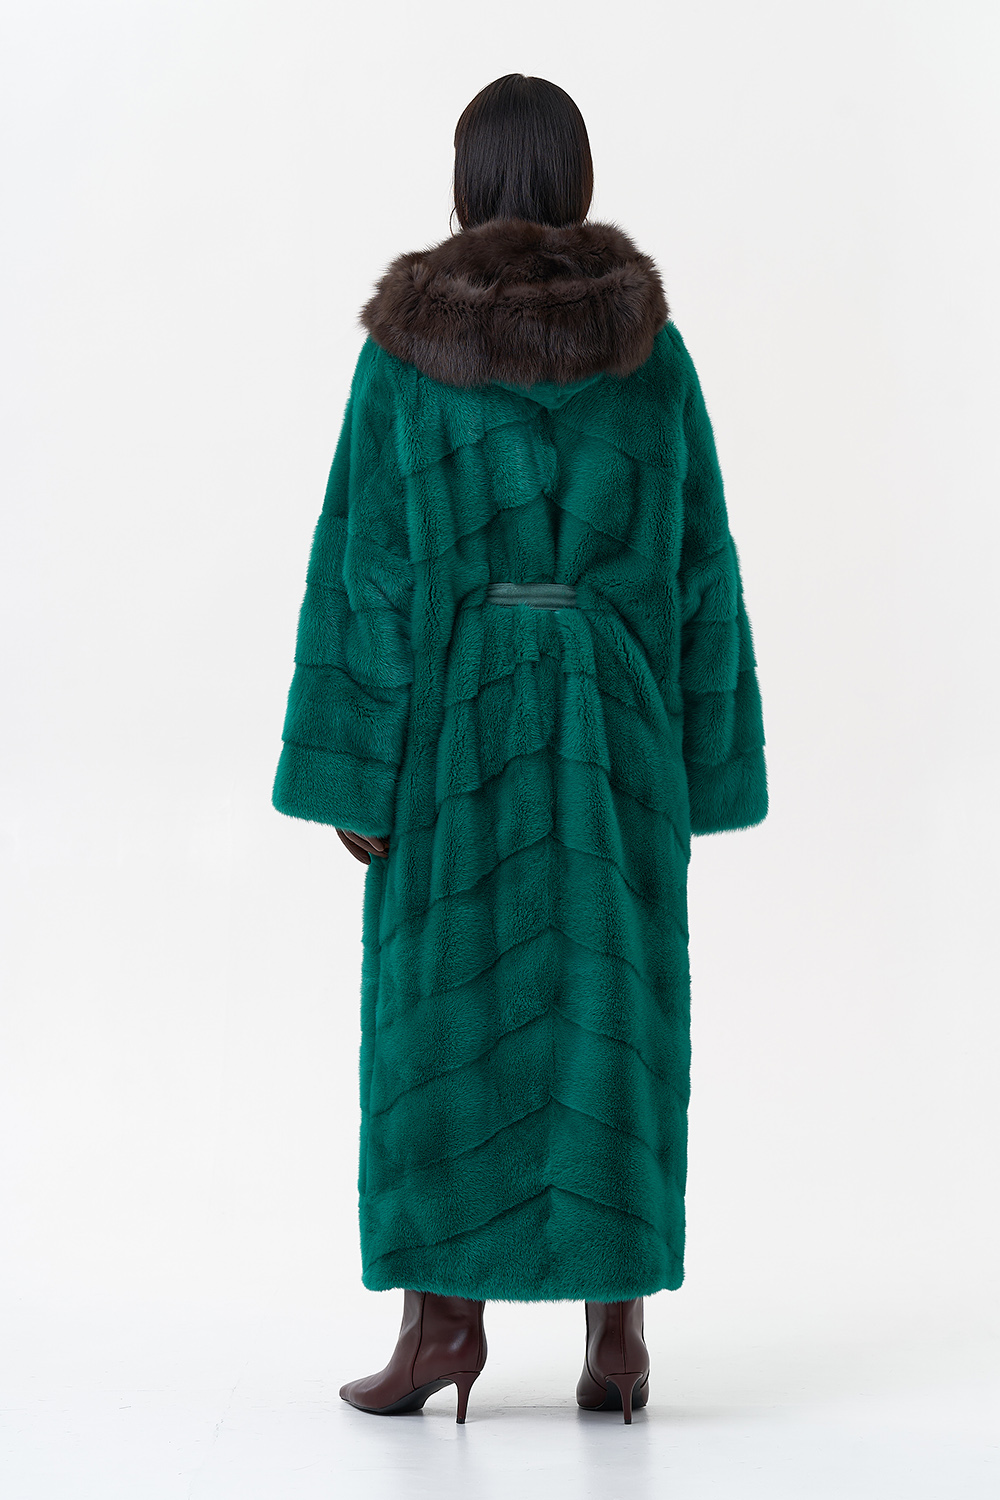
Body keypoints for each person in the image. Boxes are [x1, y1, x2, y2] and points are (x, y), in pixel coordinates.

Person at [272, 73, 769, 1426]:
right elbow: (698, 566)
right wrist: (703, 761)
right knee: (619, 1007)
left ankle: (441, 1333)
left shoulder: (406, 353)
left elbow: (371, 571)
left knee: (440, 1013)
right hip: (616, 726)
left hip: (456, 724)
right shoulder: (649, 350)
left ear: (468, 180)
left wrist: (354, 775)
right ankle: (619, 1342)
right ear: (576, 178)